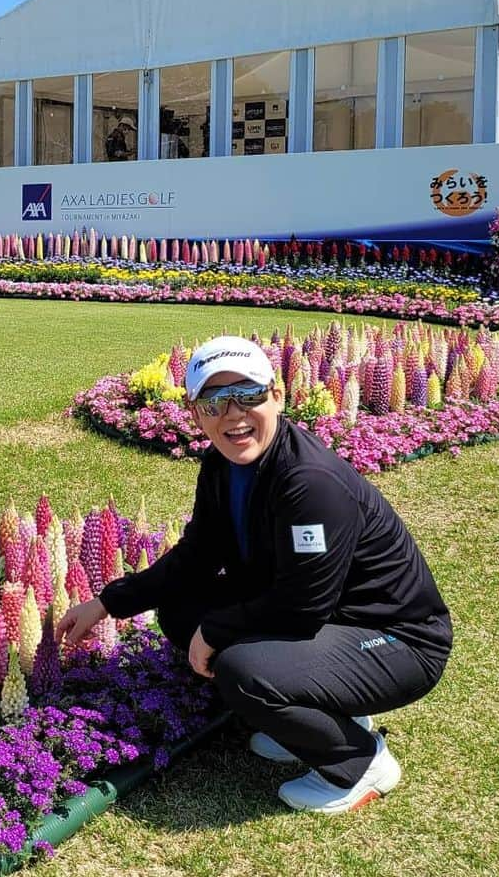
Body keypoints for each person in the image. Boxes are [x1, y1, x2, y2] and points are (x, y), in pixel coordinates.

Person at [56, 335, 452, 815]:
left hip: (397, 640)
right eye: (215, 401)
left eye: (249, 395)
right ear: (196, 412)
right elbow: (197, 557)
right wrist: (106, 603)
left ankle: (359, 763)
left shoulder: (310, 484)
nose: (234, 414)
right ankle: (316, 717)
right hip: (332, 618)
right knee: (182, 610)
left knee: (244, 671)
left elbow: (302, 606)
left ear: (277, 396)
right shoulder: (222, 467)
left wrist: (217, 630)